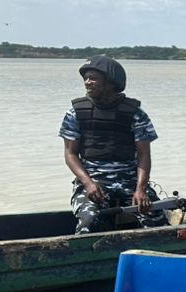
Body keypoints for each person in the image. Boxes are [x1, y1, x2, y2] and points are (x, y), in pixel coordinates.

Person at [60, 56, 169, 235]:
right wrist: (88, 183)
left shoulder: (135, 113)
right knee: (89, 222)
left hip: (130, 181)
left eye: (93, 78)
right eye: (85, 78)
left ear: (111, 82)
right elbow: (70, 154)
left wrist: (141, 189)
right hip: (93, 181)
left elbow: (144, 155)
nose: (87, 82)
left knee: (157, 222)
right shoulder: (76, 112)